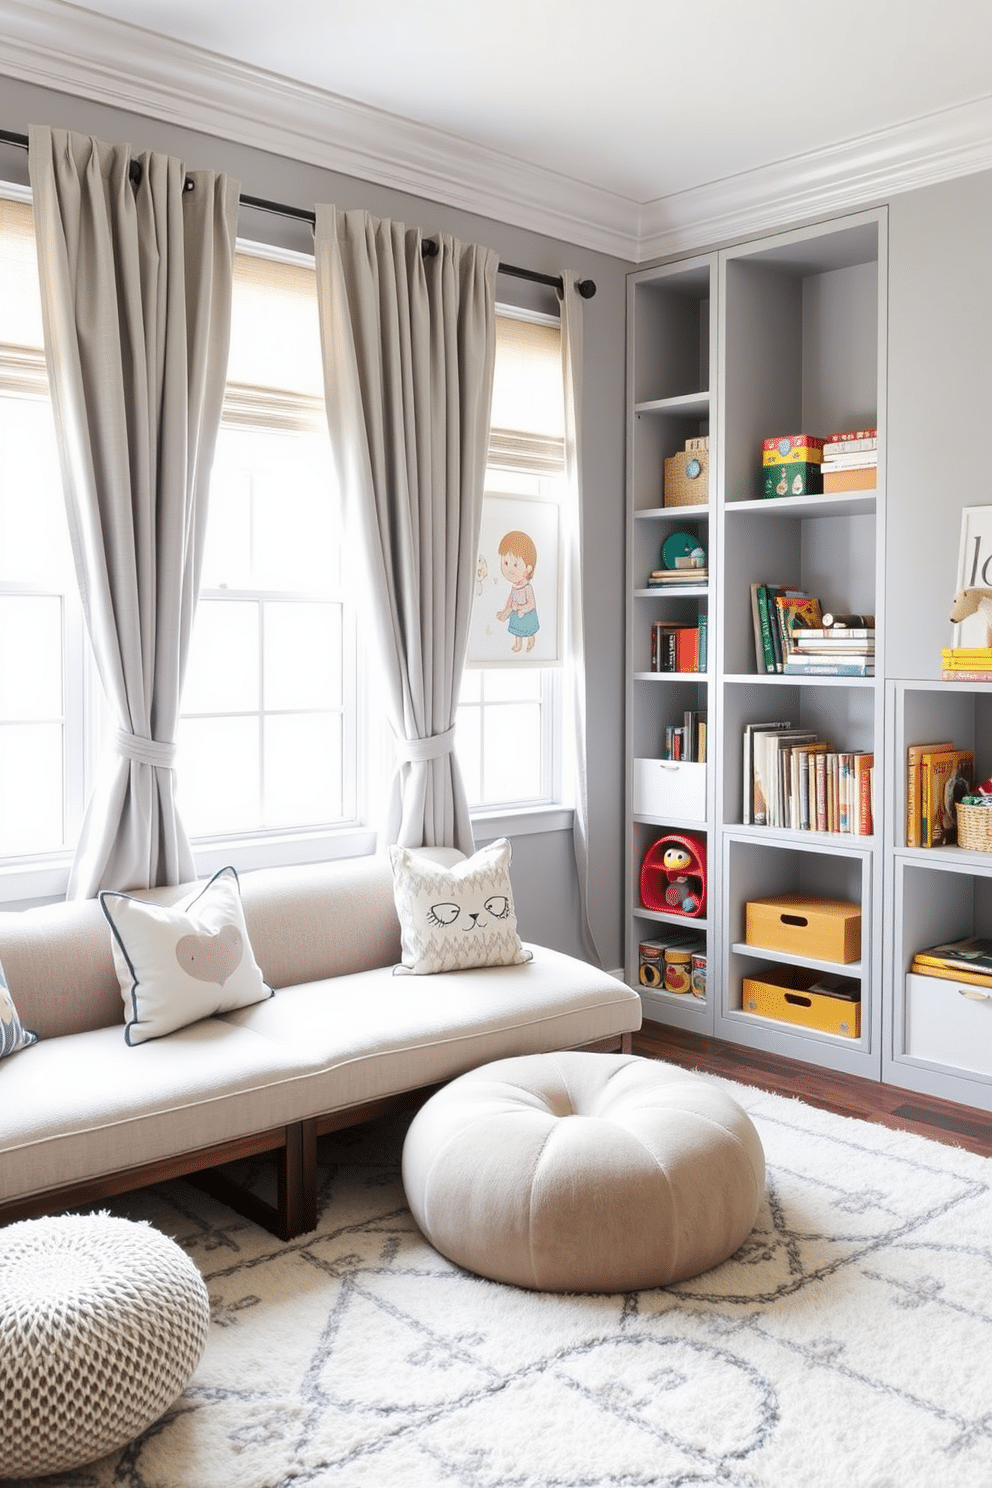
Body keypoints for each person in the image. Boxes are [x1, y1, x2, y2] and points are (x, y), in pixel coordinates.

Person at [496, 530, 539, 653]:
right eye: (505, 563)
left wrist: (521, 608)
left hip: (526, 614)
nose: (509, 569)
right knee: (517, 632)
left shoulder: (527, 588)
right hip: (516, 614)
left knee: (529, 631)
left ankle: (531, 640)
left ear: (528, 568)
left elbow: (532, 604)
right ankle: (518, 645)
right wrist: (505, 612)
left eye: (515, 565)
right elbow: (509, 601)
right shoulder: (514, 588)